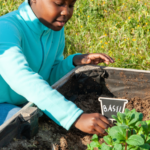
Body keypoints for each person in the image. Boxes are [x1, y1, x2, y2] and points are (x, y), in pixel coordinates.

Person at [0, 0, 114, 136]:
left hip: (26, 102)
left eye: (71, 5)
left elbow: (49, 76)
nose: (66, 12)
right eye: (59, 3)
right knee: (22, 129)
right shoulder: (6, 28)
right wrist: (75, 117)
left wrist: (72, 62)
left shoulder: (53, 28)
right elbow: (21, 78)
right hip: (3, 104)